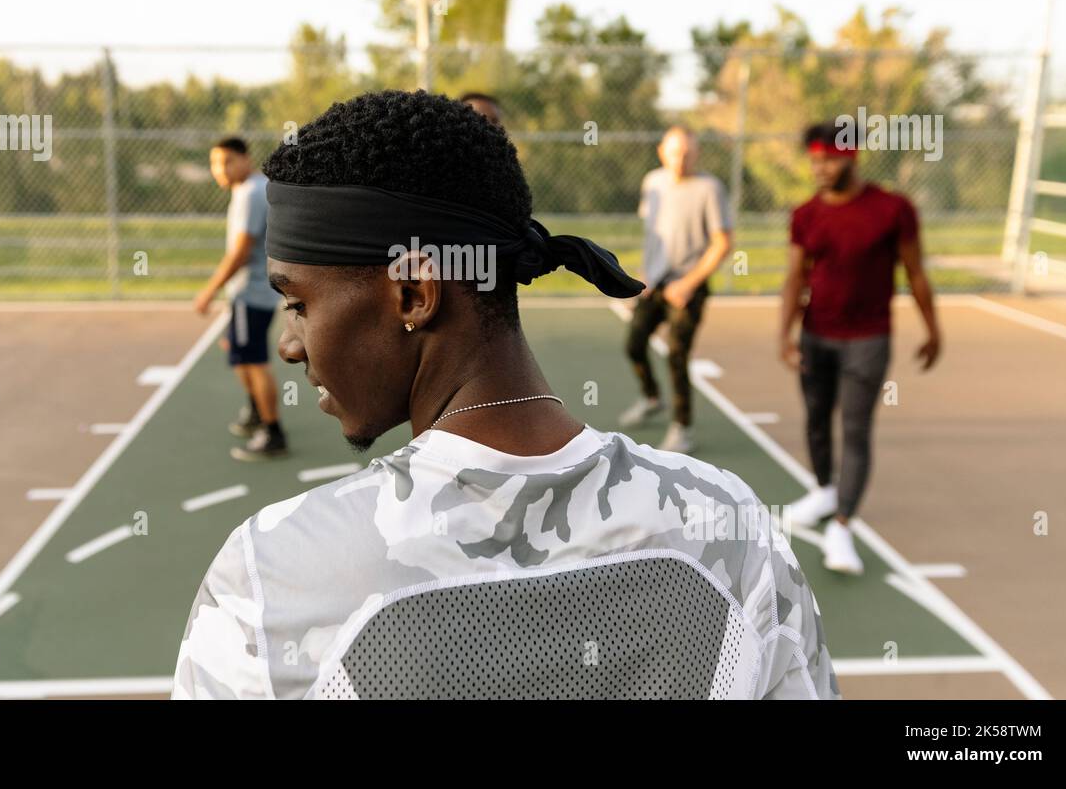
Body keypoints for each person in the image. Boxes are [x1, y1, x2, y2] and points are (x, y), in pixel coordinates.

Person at [174, 91, 836, 700]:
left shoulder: (274, 573)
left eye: (298, 304)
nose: (290, 344)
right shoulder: (731, 526)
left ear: (413, 294)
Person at [780, 122, 942, 574]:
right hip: (816, 336)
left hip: (868, 339)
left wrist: (933, 329)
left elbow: (915, 271)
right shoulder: (806, 214)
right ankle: (824, 491)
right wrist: (784, 335)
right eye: (814, 160)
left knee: (854, 428)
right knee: (815, 420)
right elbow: (796, 276)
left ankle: (843, 526)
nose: (820, 168)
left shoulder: (893, 209)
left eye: (828, 159)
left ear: (852, 158)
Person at [619, 126, 733, 453]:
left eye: (687, 154)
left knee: (677, 354)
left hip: (689, 287)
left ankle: (682, 428)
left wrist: (688, 283)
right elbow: (654, 235)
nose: (680, 160)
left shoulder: (710, 188)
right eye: (674, 153)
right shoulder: (652, 183)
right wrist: (644, 276)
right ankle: (652, 397)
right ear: (661, 152)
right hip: (653, 285)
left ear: (696, 154)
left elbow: (723, 243)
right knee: (634, 345)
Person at [193, 136, 287, 461]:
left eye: (226, 162)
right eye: (215, 163)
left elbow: (240, 253)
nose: (219, 169)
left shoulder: (250, 193)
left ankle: (272, 431)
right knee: (239, 353)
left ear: (245, 159)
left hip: (252, 293)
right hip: (247, 294)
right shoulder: (248, 190)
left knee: (254, 361)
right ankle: (256, 412)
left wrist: (209, 291)